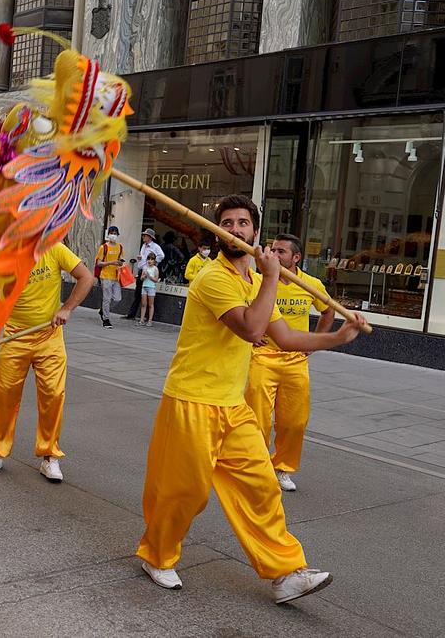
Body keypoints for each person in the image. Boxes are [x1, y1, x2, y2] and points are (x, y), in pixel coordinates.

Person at [136, 194, 366, 604]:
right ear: (219, 231)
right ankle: (157, 555)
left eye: (244, 223)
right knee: (183, 492)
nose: (236, 229)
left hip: (233, 405)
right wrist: (273, 276)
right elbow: (251, 328)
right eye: (228, 223)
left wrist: (337, 337)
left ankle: (285, 572)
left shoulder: (257, 282)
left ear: (255, 232)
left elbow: (286, 338)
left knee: (262, 487)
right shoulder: (213, 278)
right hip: (192, 400)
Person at [0, 243, 96, 482]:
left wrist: (67, 308)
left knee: (53, 395)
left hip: (50, 336)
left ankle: (49, 456)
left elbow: (86, 277)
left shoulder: (53, 248)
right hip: (15, 337)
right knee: (4, 396)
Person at [245, 234, 335, 493]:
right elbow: (241, 309)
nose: (274, 254)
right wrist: (250, 338)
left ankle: (282, 468)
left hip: (295, 361)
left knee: (294, 421)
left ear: (296, 258)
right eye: (273, 250)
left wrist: (314, 342)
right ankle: (257, 467)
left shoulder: (311, 283)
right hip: (263, 358)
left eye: (281, 251)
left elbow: (328, 311)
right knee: (258, 417)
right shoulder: (260, 281)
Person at [124, 228, 164, 319]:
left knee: (147, 293)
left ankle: (145, 316)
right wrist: (140, 258)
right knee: (138, 293)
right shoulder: (144, 246)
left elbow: (161, 256)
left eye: (145, 236)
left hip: (149, 271)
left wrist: (153, 262)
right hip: (142, 270)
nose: (143, 237)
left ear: (149, 237)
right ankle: (132, 314)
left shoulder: (155, 247)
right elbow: (143, 257)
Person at [95, 226, 124, 329]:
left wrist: (120, 263)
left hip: (116, 276)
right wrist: (111, 262)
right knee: (107, 298)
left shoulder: (120, 247)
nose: (114, 235)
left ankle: (103, 310)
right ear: (109, 234)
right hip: (105, 275)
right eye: (112, 233)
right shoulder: (104, 247)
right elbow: (99, 263)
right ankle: (106, 319)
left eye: (115, 233)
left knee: (117, 299)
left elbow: (120, 260)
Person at [138, 254, 159, 326]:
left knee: (151, 305)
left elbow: (156, 280)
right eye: (148, 259)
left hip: (151, 287)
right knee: (143, 304)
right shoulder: (145, 268)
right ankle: (141, 319)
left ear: (154, 261)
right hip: (144, 286)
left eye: (151, 259)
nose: (150, 261)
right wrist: (143, 276)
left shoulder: (155, 269)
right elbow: (141, 278)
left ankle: (150, 320)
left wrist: (149, 276)